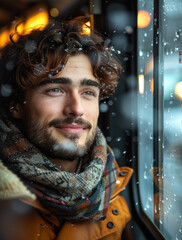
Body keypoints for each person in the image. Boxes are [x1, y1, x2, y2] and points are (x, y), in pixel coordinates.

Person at [0, 17, 133, 240]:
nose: (76, 109)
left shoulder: (121, 191)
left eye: (88, 92)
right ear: (16, 105)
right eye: (55, 90)